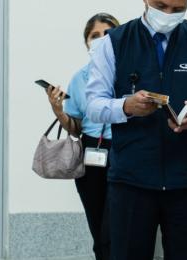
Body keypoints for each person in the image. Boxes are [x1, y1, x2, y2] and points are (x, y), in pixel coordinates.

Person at [85, 0, 187, 260]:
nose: (167, 15)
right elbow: (94, 105)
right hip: (131, 181)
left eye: (177, 10)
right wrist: (126, 106)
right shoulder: (113, 44)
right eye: (160, 5)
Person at [45, 13, 120, 260]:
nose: (100, 40)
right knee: (98, 230)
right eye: (94, 36)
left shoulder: (129, 74)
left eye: (107, 34)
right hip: (90, 154)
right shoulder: (80, 78)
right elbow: (76, 127)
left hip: (122, 151)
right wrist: (58, 110)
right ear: (86, 42)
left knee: (114, 229)